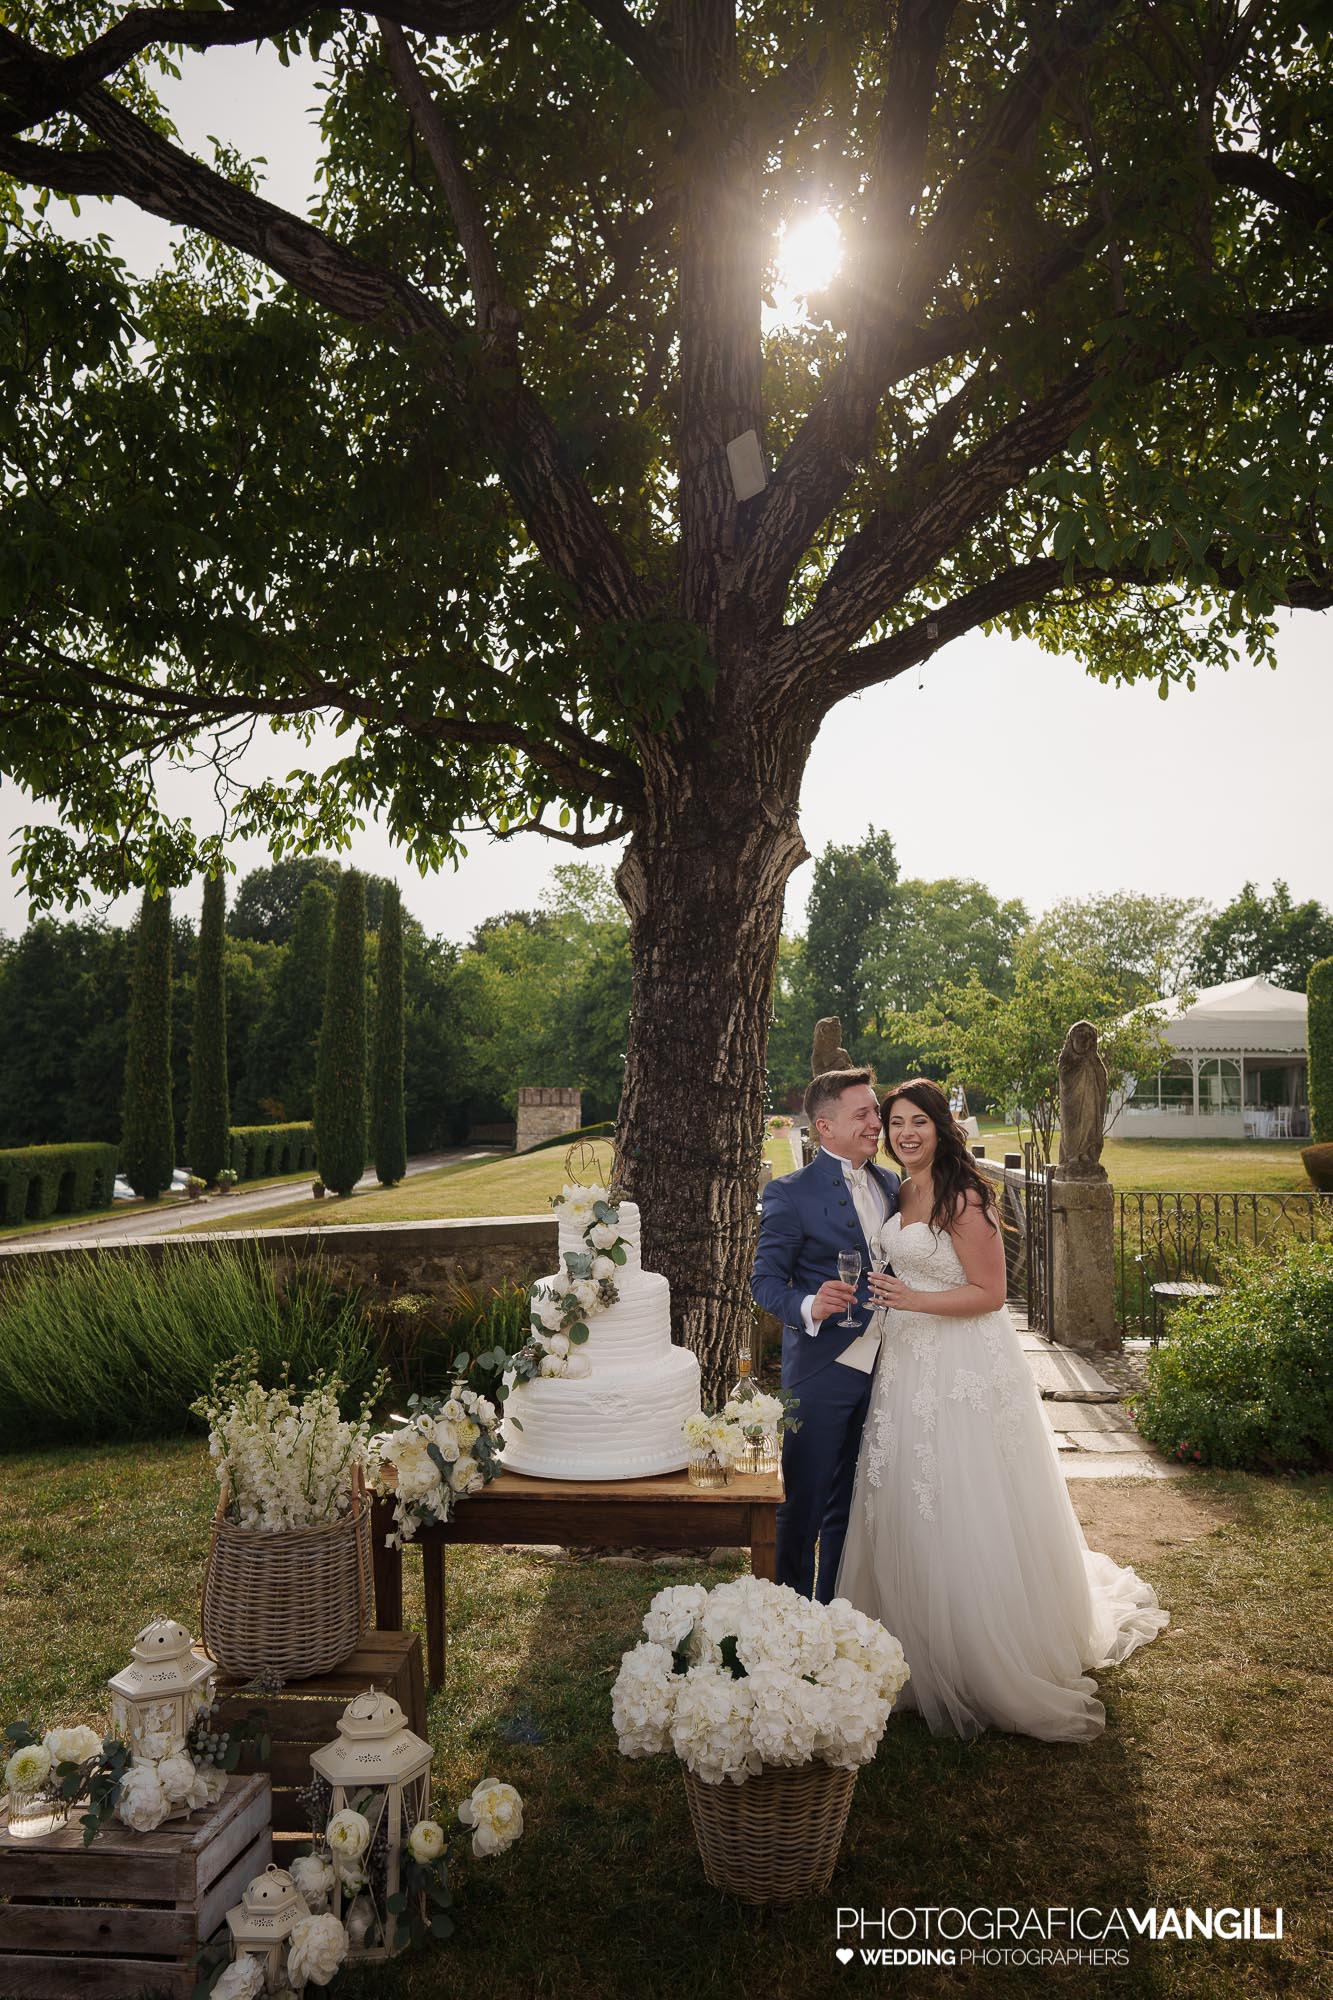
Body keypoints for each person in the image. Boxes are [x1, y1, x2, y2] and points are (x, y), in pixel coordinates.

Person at [835, 1077, 1168, 1741]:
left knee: (964, 1500)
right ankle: (901, 1643)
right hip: (905, 1368)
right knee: (902, 1494)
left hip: (961, 1367)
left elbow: (989, 1293)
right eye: (895, 1123)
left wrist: (911, 1300)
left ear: (940, 1127)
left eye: (917, 1123)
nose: (904, 1134)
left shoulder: (963, 1196)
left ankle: (982, 1655)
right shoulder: (899, 1191)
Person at [750, 1069, 901, 1601]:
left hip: (890, 1366)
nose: (875, 1123)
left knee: (855, 1503)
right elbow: (764, 1283)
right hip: (822, 1368)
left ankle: (832, 1615)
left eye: (875, 1113)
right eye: (862, 1114)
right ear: (824, 1126)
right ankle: (787, 1618)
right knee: (803, 1502)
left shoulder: (890, 1184)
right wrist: (811, 1304)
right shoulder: (788, 1194)